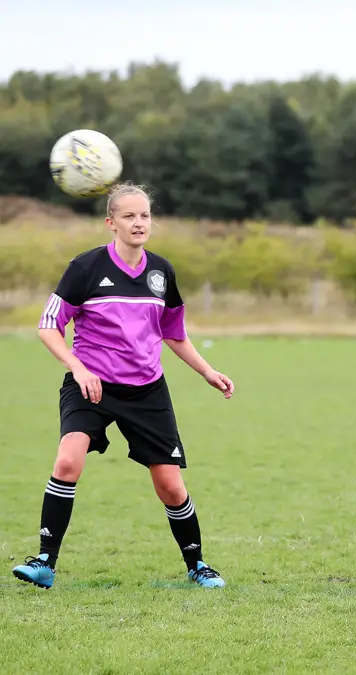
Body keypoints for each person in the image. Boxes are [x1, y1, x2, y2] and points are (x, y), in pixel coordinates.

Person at [12, 182, 234, 590]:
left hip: (147, 391)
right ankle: (45, 561)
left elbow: (174, 334)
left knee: (170, 485)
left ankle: (198, 565)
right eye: (129, 216)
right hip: (91, 385)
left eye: (145, 215)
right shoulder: (86, 268)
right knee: (67, 461)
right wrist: (78, 368)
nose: (139, 223)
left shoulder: (161, 272)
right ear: (110, 222)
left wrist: (207, 371)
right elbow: (49, 327)